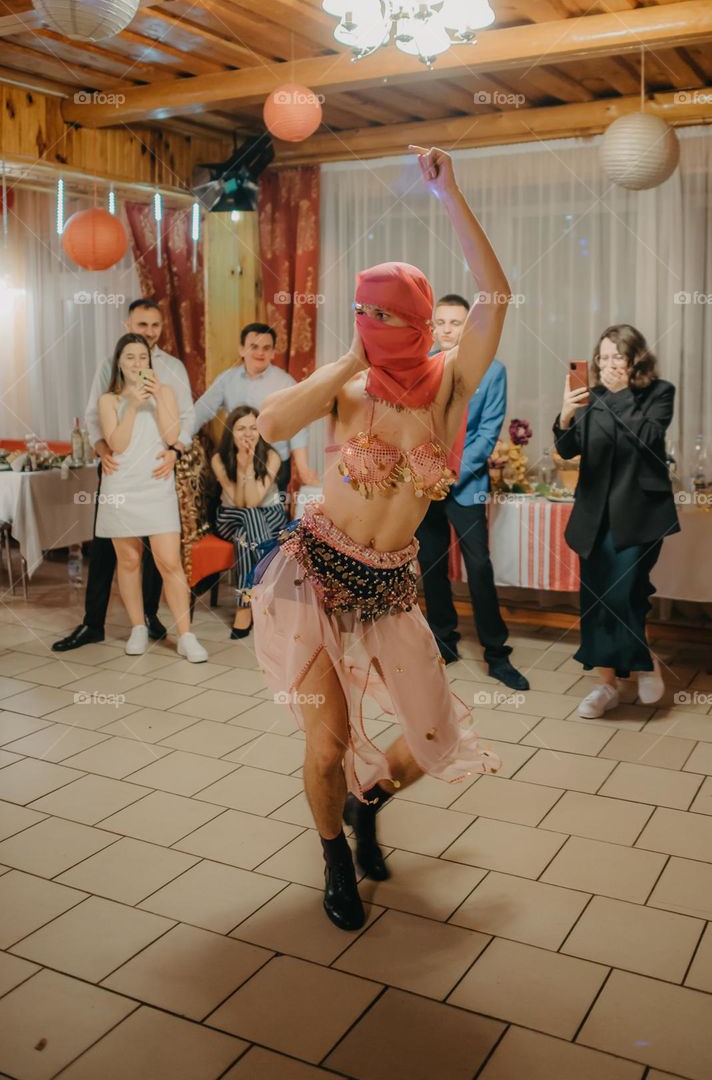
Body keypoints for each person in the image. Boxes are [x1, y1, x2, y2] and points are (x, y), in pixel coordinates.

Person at [251, 146, 506, 931]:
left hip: (392, 581)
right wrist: (345, 360)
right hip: (315, 572)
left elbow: (496, 294)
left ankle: (369, 805)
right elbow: (271, 424)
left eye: (390, 314)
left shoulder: (454, 383)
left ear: (422, 320)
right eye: (367, 313)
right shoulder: (350, 389)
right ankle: (334, 857)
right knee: (325, 745)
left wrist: (451, 192)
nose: (377, 326)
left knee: (433, 736)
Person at [52, 298, 195, 653]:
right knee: (119, 556)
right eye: (141, 326)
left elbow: (181, 423)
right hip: (118, 473)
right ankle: (104, 624)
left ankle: (163, 623)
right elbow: (96, 420)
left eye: (154, 326)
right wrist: (103, 450)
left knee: (164, 560)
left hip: (158, 472)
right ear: (127, 326)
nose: (148, 334)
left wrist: (175, 448)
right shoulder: (108, 372)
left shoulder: (172, 371)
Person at [553, 324, 679, 719]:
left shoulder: (659, 393)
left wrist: (622, 394)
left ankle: (640, 660)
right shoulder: (592, 399)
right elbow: (566, 450)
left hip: (640, 514)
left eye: (617, 357)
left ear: (634, 359)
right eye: (602, 357)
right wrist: (566, 414)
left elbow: (649, 438)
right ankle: (606, 684)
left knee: (624, 594)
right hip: (594, 516)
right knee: (595, 599)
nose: (607, 365)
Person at [416, 293, 529, 690]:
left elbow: (487, 432)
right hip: (424, 486)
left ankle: (496, 653)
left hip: (466, 486)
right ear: (432, 327)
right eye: (441, 322)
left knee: (478, 567)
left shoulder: (491, 371)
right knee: (430, 566)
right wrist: (427, 474)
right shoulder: (420, 366)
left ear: (470, 327)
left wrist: (452, 474)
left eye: (456, 322)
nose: (447, 329)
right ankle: (443, 642)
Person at [95, 334, 208, 662]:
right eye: (129, 357)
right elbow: (117, 444)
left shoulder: (166, 392)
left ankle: (186, 635)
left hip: (157, 485)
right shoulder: (109, 400)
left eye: (141, 357)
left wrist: (158, 397)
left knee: (168, 561)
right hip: (121, 486)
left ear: (149, 361)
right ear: (119, 362)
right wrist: (130, 403)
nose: (136, 363)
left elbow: (172, 436)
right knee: (128, 561)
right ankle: (137, 627)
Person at [193, 323, 319, 495]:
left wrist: (303, 468)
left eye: (266, 348)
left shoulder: (285, 382)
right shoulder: (227, 379)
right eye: (254, 346)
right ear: (242, 349)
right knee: (237, 514)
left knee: (271, 518)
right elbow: (201, 411)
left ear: (273, 352)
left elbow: (297, 427)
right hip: (236, 462)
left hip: (275, 464)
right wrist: (178, 440)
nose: (260, 353)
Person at [211, 406, 286, 638]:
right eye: (241, 428)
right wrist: (242, 466)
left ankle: (243, 607)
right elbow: (240, 502)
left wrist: (251, 465)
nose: (248, 433)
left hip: (269, 514)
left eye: (253, 427)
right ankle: (269, 586)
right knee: (248, 517)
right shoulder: (219, 459)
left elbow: (254, 501)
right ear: (230, 432)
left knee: (245, 532)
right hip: (231, 515)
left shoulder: (272, 456)